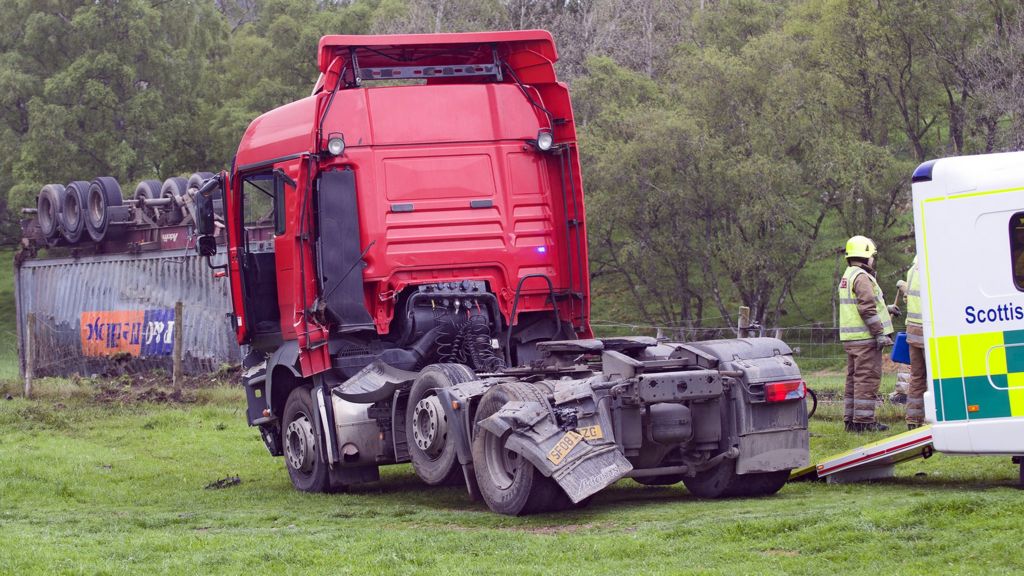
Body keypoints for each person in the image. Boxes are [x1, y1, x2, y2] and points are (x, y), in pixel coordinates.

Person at [837, 235, 898, 432]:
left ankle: (851, 421)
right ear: (866, 256)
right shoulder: (862, 277)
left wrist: (886, 309)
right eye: (872, 255)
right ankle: (864, 423)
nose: (873, 259)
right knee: (867, 379)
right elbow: (866, 309)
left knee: (853, 379)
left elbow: (865, 305)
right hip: (865, 339)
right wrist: (880, 333)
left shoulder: (849, 274)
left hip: (852, 339)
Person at [904, 255, 926, 429]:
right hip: (929, 332)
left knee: (917, 377)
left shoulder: (912, 270)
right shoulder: (933, 268)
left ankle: (913, 419)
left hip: (913, 331)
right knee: (938, 377)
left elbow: (908, 299)